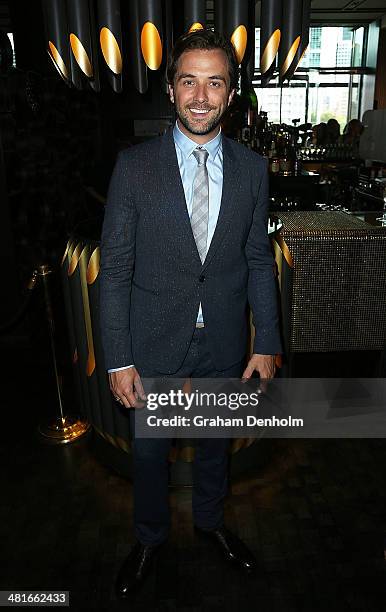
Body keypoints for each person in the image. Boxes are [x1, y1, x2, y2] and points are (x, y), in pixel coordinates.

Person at [99, 28, 282, 598]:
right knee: (150, 458)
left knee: (213, 451)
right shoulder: (133, 167)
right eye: (188, 81)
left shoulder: (253, 169)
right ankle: (150, 537)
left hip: (224, 342)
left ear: (230, 95)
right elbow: (117, 268)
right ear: (172, 90)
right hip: (152, 343)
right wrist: (117, 358)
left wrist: (266, 341)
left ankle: (210, 523)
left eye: (214, 83)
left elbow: (257, 260)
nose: (200, 97)